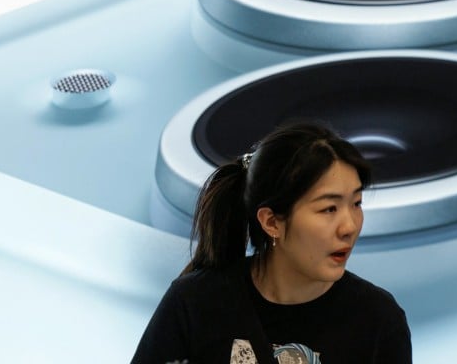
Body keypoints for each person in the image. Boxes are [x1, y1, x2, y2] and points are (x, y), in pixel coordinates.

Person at [131, 121, 412, 364]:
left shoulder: (378, 321)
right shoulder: (194, 304)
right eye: (329, 209)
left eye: (356, 203)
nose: (349, 226)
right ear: (272, 222)